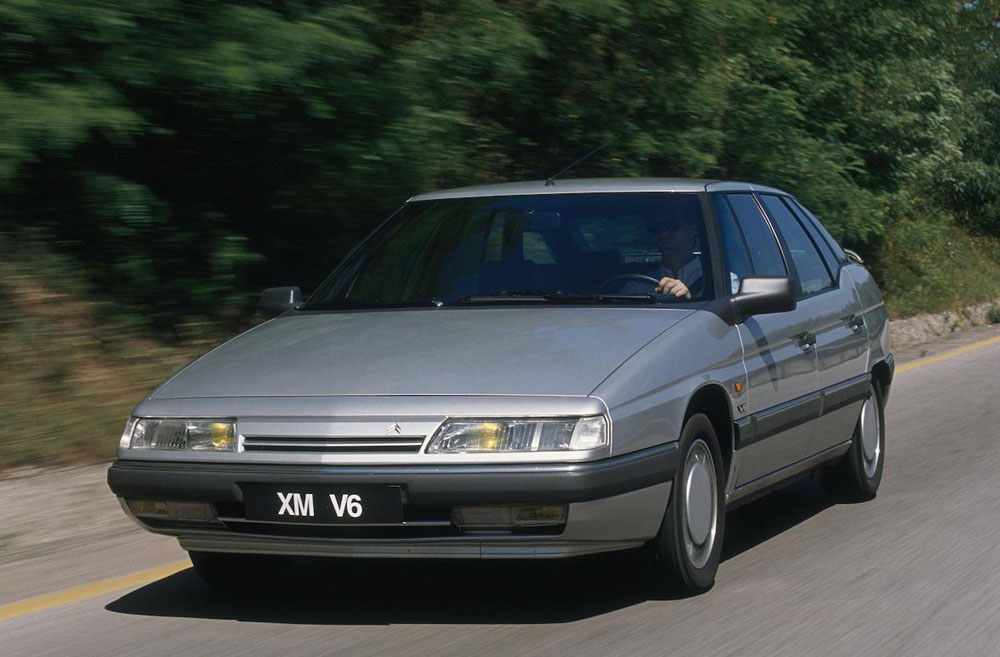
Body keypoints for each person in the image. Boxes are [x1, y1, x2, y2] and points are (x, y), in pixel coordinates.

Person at [621, 211, 703, 299]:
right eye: (656, 227)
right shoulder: (637, 287)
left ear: (693, 230)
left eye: (671, 224)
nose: (663, 233)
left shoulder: (715, 279)